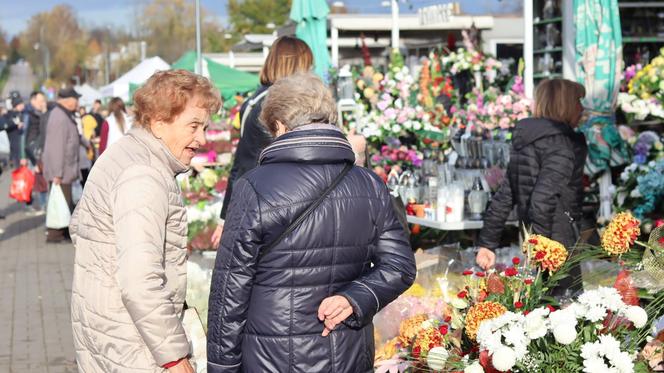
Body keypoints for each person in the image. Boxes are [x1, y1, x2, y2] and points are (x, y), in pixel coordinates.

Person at [207, 73, 416, 373]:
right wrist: (355, 298)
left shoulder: (254, 187)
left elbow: (229, 291)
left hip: (272, 358)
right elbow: (400, 266)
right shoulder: (370, 185)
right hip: (348, 354)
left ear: (278, 125)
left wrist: (221, 367)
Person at [69, 69, 221, 373]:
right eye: (193, 126)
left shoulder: (126, 154)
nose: (201, 139)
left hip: (112, 328)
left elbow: (80, 229)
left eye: (204, 127)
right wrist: (176, 358)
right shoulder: (144, 175)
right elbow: (140, 283)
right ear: (158, 120)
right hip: (134, 343)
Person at [476, 79, 587, 278]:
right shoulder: (561, 145)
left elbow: (505, 195)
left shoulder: (528, 140)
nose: (582, 108)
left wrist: (487, 243)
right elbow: (542, 200)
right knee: (563, 302)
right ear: (566, 105)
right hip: (555, 240)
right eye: (578, 101)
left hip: (534, 234)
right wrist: (542, 251)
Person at [211, 36, 314, 248]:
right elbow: (250, 162)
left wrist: (226, 218)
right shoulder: (279, 104)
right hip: (278, 208)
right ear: (296, 65)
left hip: (262, 204)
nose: (311, 72)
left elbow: (242, 164)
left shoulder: (256, 99)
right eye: (308, 66)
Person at [42, 88, 82, 243]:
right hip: (61, 170)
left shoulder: (64, 114)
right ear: (67, 100)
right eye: (76, 99)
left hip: (66, 169)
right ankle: (55, 234)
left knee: (65, 202)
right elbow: (56, 146)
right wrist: (57, 173)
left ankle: (63, 232)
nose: (77, 102)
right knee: (61, 203)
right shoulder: (59, 117)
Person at [6, 94, 25, 168]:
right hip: (15, 145)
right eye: (20, 104)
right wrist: (15, 124)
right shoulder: (10, 115)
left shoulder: (23, 113)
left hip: (22, 146)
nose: (22, 106)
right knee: (18, 170)